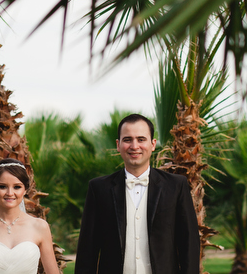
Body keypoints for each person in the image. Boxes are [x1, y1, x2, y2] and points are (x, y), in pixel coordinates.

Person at [75, 113, 200, 274]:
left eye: (141, 139)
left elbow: (188, 244)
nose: (135, 146)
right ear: (118, 145)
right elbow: (87, 249)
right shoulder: (99, 188)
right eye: (128, 140)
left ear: (153, 144)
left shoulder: (176, 185)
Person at [0, 158, 60, 274]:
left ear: (25, 190)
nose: (10, 193)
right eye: (2, 186)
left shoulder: (40, 227)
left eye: (17, 187)